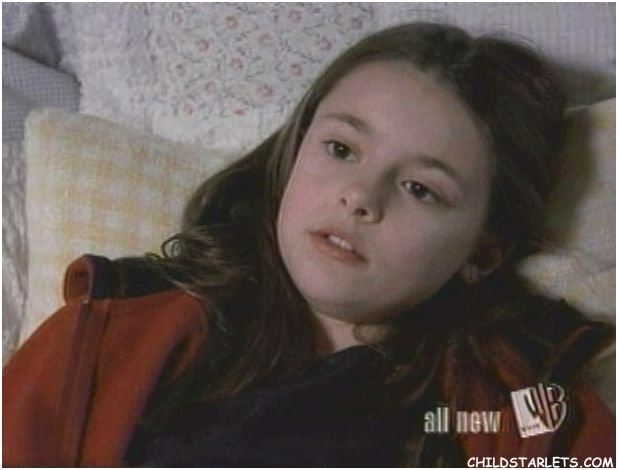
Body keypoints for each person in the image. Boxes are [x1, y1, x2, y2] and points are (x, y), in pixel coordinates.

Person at [4, 22, 615, 467]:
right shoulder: (110, 331)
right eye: (342, 149)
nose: (360, 197)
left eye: (420, 188)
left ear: (482, 253)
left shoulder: (524, 408)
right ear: (293, 153)